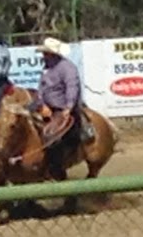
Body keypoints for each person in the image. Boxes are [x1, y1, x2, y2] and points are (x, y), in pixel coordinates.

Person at [26, 37, 92, 180]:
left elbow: (72, 88)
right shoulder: (47, 68)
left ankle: (56, 169)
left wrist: (68, 108)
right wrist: (42, 104)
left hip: (61, 108)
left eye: (45, 53)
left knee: (52, 136)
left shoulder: (67, 68)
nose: (43, 56)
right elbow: (41, 89)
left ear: (53, 54)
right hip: (45, 106)